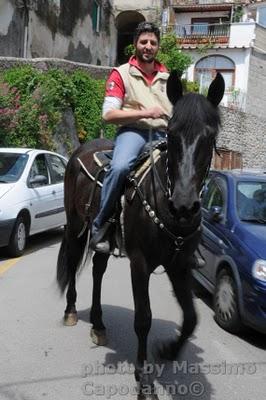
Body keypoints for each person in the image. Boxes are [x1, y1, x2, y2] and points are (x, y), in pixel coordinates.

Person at [90, 21, 173, 253]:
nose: (148, 46)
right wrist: (146, 112)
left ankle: (189, 235)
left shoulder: (168, 76)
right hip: (134, 132)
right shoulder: (121, 74)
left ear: (158, 47)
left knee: (189, 170)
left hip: (163, 133)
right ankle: (102, 226)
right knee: (119, 167)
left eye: (153, 43)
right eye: (143, 42)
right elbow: (108, 114)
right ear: (135, 44)